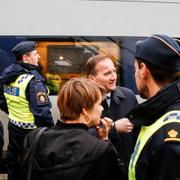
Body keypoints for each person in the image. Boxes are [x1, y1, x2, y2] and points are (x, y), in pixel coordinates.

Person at [22, 77, 126, 180]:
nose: (102, 108)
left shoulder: (34, 138)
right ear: (85, 111)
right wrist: (105, 140)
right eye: (99, 104)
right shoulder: (101, 149)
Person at [128, 34, 180, 180]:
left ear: (143, 70)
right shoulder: (163, 114)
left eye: (135, 70)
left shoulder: (168, 138)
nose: (135, 75)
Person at [0, 41, 54, 180]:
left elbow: (2, 100)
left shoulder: (7, 76)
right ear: (26, 58)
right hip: (32, 133)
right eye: (35, 54)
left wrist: (14, 113)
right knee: (34, 167)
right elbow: (42, 113)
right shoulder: (33, 81)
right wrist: (51, 132)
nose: (39, 57)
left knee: (14, 163)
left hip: (14, 128)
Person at [86, 54, 138, 167]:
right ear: (91, 79)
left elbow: (138, 134)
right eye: (107, 73)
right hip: (96, 168)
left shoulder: (128, 96)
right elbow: (77, 136)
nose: (114, 77)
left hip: (126, 167)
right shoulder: (83, 101)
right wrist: (114, 129)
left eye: (114, 71)